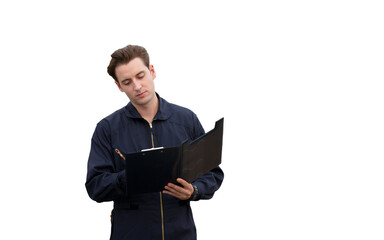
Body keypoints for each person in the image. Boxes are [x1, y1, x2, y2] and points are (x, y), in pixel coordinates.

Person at [85, 45, 224, 240]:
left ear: (152, 71)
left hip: (181, 234)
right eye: (127, 81)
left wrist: (195, 191)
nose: (137, 86)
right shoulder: (107, 129)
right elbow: (95, 186)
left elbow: (212, 172)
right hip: (130, 234)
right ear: (119, 86)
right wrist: (134, 174)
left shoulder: (186, 120)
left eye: (140, 76)